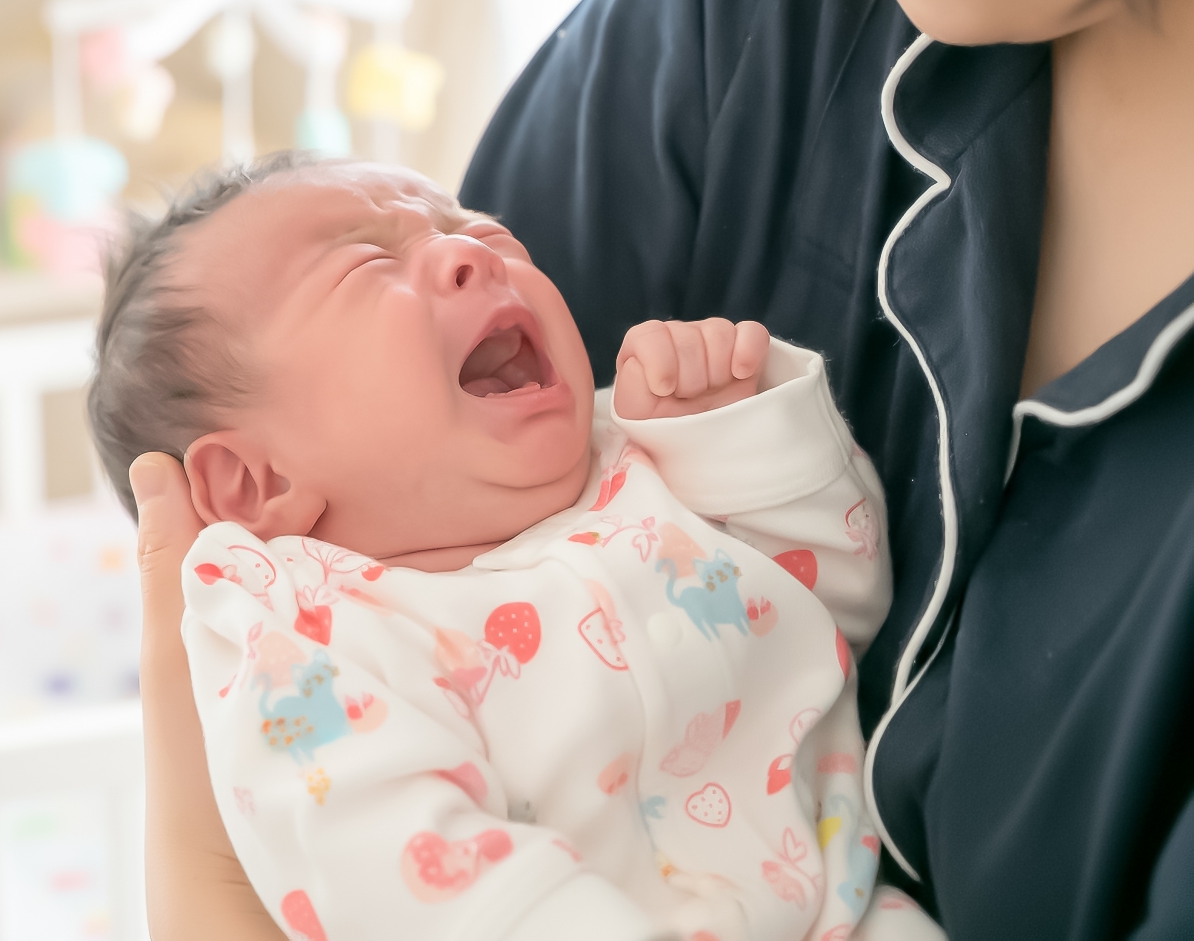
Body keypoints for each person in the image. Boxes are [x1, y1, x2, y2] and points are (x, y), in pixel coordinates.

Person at [128, 0, 1194, 938]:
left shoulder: (626, 471)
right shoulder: (327, 631)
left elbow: (816, 595)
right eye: (371, 264)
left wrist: (740, 425)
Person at [94, 156, 922, 940]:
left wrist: (734, 436)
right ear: (255, 484)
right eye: (363, 265)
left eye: (482, 229)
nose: (467, 255)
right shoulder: (304, 647)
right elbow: (407, 869)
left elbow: (842, 608)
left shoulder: (643, 459)